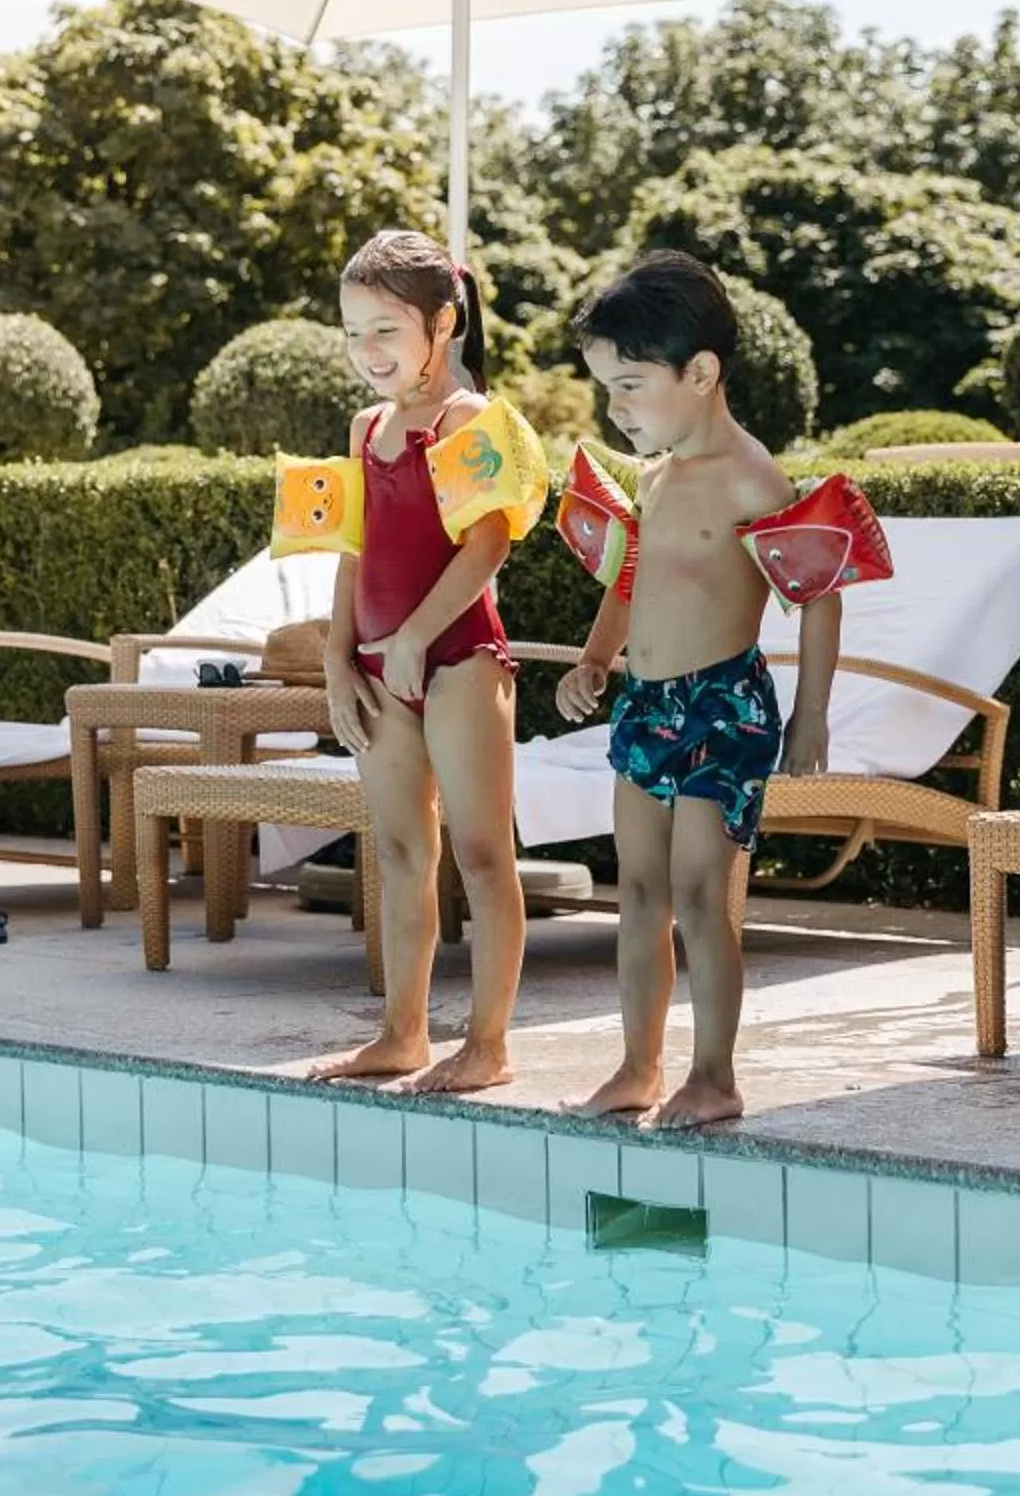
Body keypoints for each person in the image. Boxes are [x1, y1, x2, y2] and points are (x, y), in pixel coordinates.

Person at [557, 251, 841, 1130]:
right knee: (635, 894)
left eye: (632, 386)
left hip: (724, 708)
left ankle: (713, 1075)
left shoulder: (755, 481)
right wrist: (596, 660)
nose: (617, 409)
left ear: (702, 374)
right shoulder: (657, 474)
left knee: (696, 896)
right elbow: (630, 576)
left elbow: (818, 593)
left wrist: (811, 716)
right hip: (647, 705)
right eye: (608, 389)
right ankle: (639, 1067)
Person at [314, 228, 529, 1093]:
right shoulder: (366, 429)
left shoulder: (467, 420)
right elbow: (353, 551)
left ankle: (488, 1044)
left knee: (480, 854)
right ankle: (401, 1035)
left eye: (386, 330)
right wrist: (337, 658)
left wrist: (410, 639)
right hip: (375, 666)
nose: (368, 351)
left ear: (444, 324)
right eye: (354, 332)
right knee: (402, 853)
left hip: (461, 655)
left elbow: (488, 546)